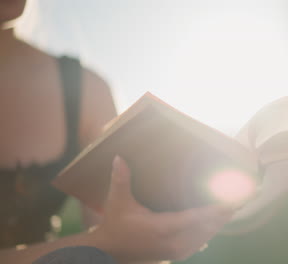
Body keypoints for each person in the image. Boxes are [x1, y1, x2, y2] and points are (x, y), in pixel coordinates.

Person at [0, 0, 233, 263]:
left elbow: (117, 237)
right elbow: (106, 241)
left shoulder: (82, 88)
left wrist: (150, 238)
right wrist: (102, 241)